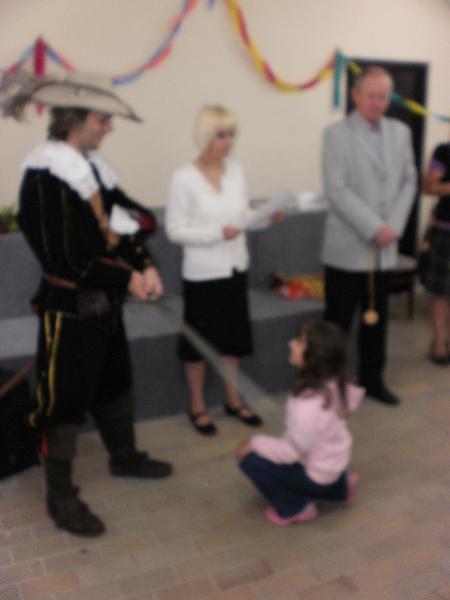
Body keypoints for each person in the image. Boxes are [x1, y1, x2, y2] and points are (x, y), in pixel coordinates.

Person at [5, 71, 173, 537]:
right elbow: (67, 258)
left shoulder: (92, 169)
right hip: (68, 309)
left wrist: (144, 263)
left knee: (115, 381)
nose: (109, 128)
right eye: (103, 119)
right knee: (61, 402)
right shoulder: (43, 180)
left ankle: (124, 457)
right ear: (75, 121)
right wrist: (128, 276)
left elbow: (129, 218)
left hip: (106, 305)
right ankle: (60, 497)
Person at [166, 104, 281, 435]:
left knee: (233, 341)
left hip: (235, 268)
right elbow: (175, 230)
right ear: (205, 136)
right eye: (221, 135)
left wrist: (265, 217)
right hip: (202, 274)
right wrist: (218, 233)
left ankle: (233, 400)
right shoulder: (183, 177)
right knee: (198, 344)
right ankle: (197, 406)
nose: (227, 142)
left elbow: (243, 215)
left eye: (231, 135)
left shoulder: (236, 170)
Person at [321, 66, 417, 405]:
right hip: (348, 248)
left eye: (383, 96)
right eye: (371, 95)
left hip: (385, 248)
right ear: (356, 95)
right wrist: (374, 227)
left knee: (377, 321)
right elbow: (336, 188)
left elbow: (410, 181)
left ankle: (373, 380)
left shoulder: (401, 131)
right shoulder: (336, 134)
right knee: (337, 325)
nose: (377, 102)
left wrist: (393, 227)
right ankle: (329, 386)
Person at [236, 320, 363, 526]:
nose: (291, 343)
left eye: (299, 342)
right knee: (306, 460)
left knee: (249, 460)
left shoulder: (308, 406)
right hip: (333, 462)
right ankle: (340, 488)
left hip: (317, 472)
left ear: (314, 358)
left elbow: (293, 451)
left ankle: (295, 508)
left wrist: (255, 443)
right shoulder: (335, 382)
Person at [420, 140, 450, 364]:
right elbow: (427, 187)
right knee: (440, 291)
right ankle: (439, 344)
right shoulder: (444, 151)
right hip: (445, 232)